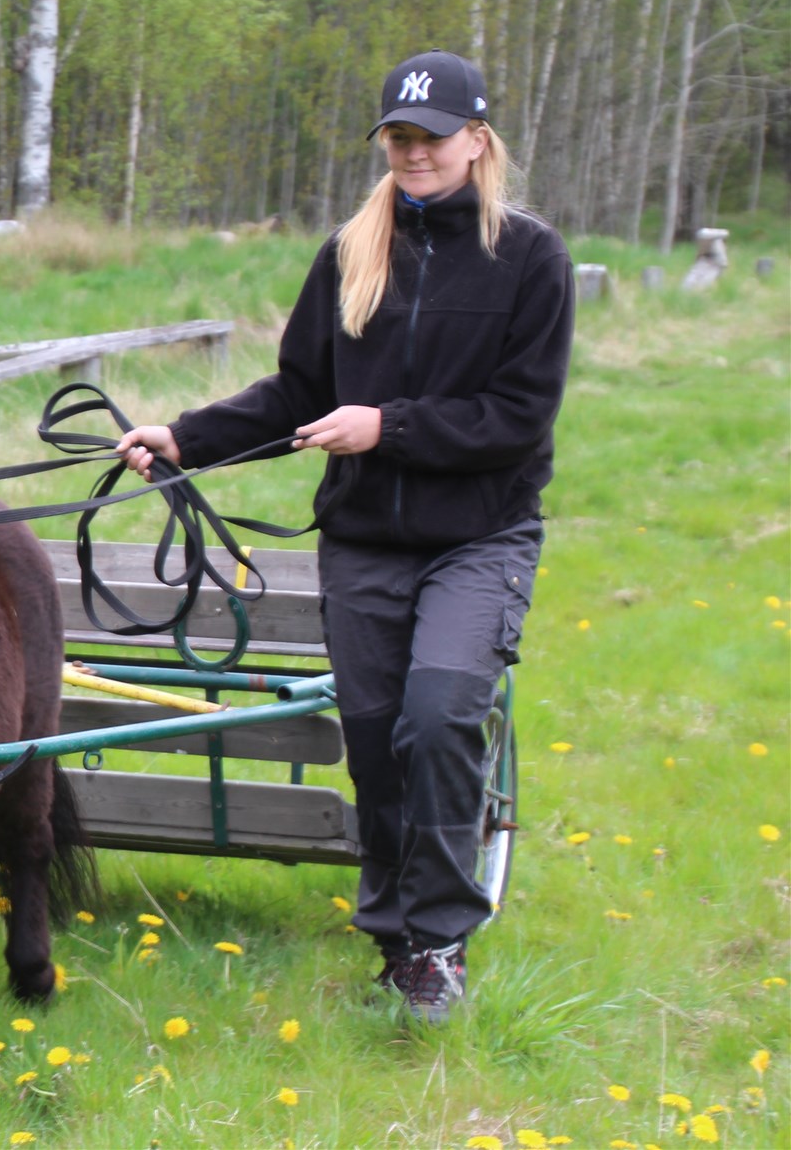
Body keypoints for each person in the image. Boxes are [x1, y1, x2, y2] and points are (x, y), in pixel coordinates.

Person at [116, 49, 573, 1023]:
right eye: (397, 137)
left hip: (477, 537)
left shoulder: (529, 258)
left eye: (431, 136)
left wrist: (388, 425)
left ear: (475, 140)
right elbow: (298, 393)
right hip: (364, 540)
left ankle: (440, 936)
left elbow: (516, 418)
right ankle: (396, 939)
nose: (412, 152)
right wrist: (185, 439)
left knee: (442, 712)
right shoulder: (350, 252)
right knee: (373, 741)